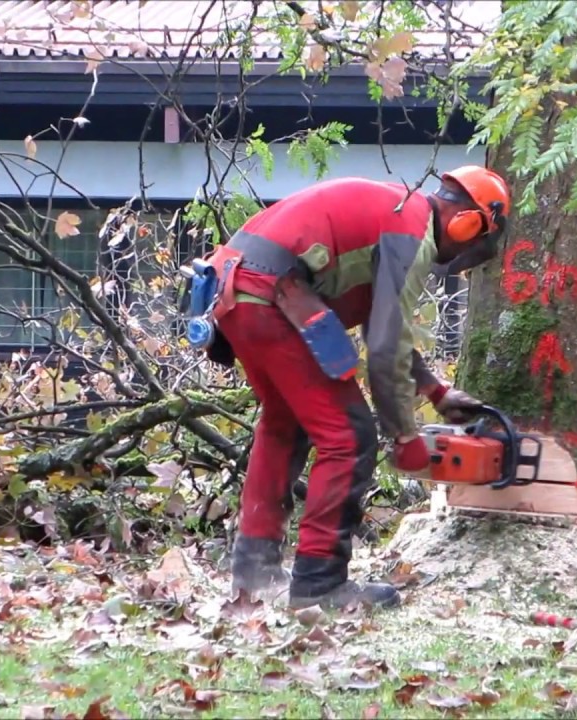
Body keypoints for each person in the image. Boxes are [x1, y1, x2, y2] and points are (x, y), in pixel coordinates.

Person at [196, 165, 512, 611]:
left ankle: (255, 570)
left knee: (285, 424)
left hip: (240, 290)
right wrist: (403, 436)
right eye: (475, 245)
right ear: (470, 223)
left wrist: (436, 392)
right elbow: (384, 347)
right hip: (271, 294)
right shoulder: (411, 232)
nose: (463, 256)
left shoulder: (398, 210)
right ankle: (319, 584)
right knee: (348, 435)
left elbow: (382, 325)